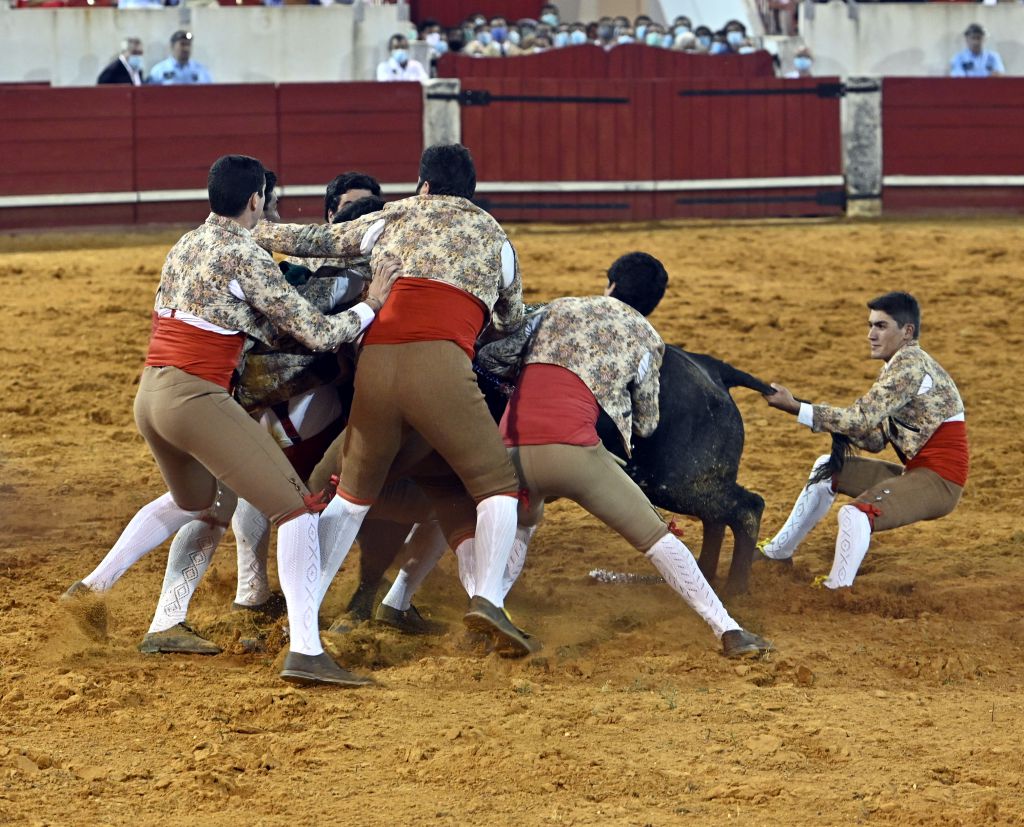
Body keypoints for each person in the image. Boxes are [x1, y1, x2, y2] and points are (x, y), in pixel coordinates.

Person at [62, 155, 400, 686]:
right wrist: (372, 303)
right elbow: (318, 333)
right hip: (198, 397)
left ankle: (104, 591)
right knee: (296, 510)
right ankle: (307, 650)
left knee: (200, 502)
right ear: (255, 201)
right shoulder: (245, 253)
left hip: (151, 394)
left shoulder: (186, 244)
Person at [252, 143, 530, 656]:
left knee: (351, 497)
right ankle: (487, 599)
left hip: (375, 368)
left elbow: (315, 239)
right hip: (441, 371)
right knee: (497, 487)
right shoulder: (495, 236)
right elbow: (511, 321)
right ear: (471, 191)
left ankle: (303, 619)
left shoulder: (393, 216)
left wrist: (250, 227)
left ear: (423, 184)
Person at [465, 253, 772, 659]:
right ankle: (729, 631)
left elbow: (492, 358)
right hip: (572, 454)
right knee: (656, 538)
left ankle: (492, 607)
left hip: (510, 450)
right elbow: (647, 423)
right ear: (655, 301)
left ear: (610, 283)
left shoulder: (558, 308)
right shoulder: (645, 336)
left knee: (522, 526)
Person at [760, 292, 969, 589]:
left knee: (855, 514)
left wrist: (798, 408)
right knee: (828, 468)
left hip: (939, 483)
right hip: (920, 473)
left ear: (907, 331)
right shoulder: (899, 366)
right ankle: (777, 553)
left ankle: (837, 589)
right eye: (870, 325)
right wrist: (826, 417)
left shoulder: (909, 367)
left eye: (881, 326)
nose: (871, 335)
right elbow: (874, 439)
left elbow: (860, 420)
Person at [148, 31, 212, 86]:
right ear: (172, 46)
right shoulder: (159, 71)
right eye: (182, 44)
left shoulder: (201, 71)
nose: (186, 48)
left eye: (188, 45)